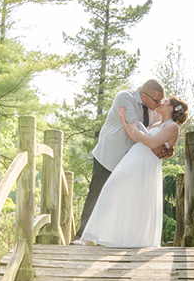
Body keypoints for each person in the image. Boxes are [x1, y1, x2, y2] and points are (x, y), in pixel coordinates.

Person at [72, 79, 174, 243]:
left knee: (122, 198)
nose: (159, 103)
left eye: (161, 100)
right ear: (144, 95)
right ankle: (81, 237)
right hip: (110, 155)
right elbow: (135, 125)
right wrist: (154, 145)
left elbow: (160, 130)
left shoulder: (154, 109)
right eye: (156, 100)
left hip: (132, 160)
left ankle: (110, 238)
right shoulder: (125, 97)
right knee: (98, 194)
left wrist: (165, 147)